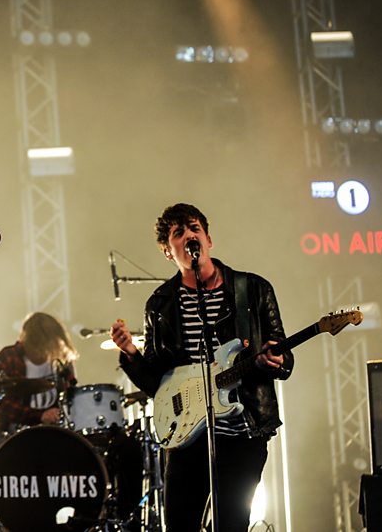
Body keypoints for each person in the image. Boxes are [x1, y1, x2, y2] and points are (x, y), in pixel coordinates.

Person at [111, 203, 292, 532]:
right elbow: (157, 384)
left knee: (232, 525)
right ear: (169, 252)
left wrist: (275, 360)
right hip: (186, 438)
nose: (189, 236)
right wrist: (131, 353)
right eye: (178, 233)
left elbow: (282, 352)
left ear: (208, 238)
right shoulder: (160, 305)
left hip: (242, 431)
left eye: (194, 228)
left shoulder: (252, 290)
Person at [0, 312, 78, 433]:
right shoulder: (8, 357)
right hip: (16, 436)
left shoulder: (61, 360)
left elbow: (72, 398)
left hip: (57, 433)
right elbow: (0, 403)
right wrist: (39, 416)